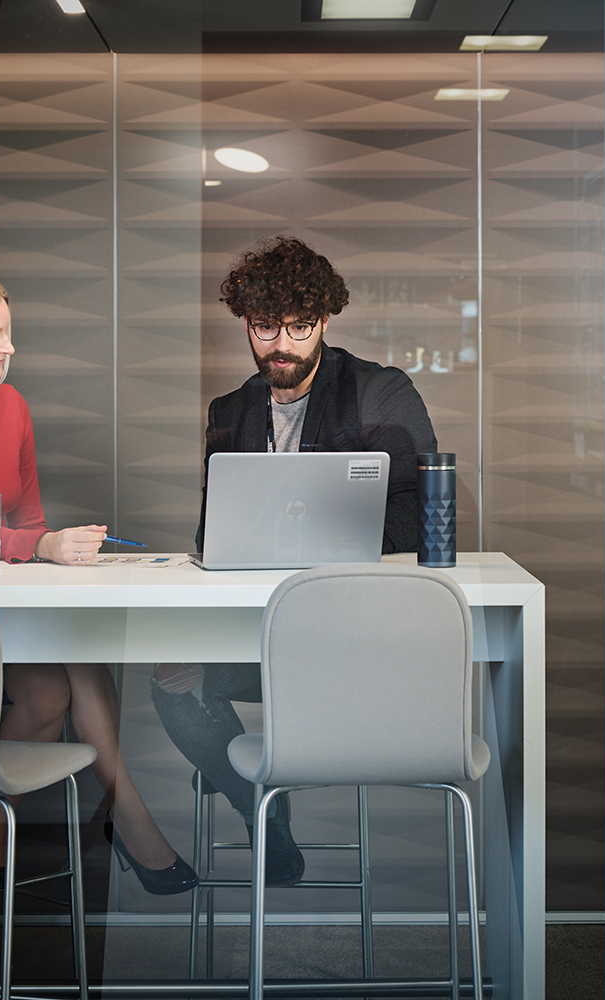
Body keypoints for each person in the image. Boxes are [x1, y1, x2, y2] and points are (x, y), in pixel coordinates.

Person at [0, 265, 198, 895]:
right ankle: (118, 814)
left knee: (64, 678)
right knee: (59, 684)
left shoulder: (12, 406)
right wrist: (46, 547)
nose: (9, 349)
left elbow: (26, 518)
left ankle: (6, 828)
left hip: (5, 598)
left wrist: (49, 546)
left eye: (9, 334)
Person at [151, 236, 437, 886]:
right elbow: (215, 535)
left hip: (357, 641)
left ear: (324, 322)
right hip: (270, 642)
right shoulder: (229, 413)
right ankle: (261, 811)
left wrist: (308, 553)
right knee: (172, 677)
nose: (281, 343)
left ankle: (256, 800)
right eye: (264, 326)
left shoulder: (380, 394)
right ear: (245, 324)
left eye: (299, 327)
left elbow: (418, 518)